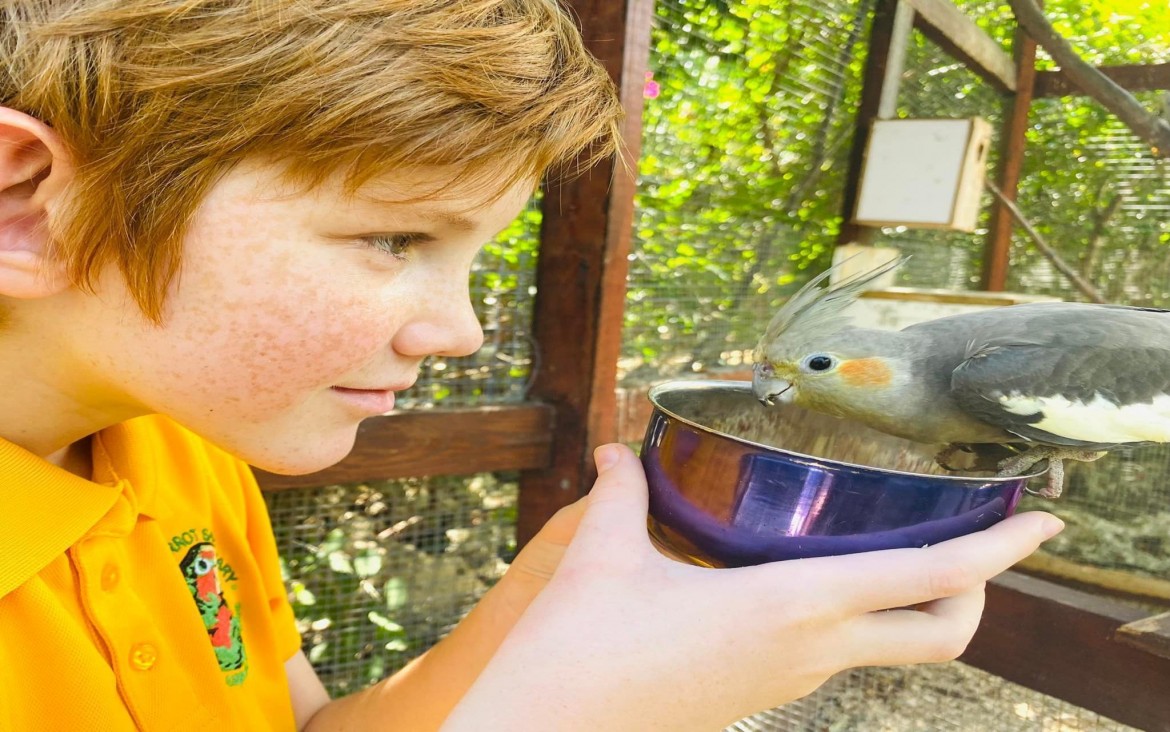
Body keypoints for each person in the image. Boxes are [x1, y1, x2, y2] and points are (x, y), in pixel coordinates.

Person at [0, 1, 1063, 730]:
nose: (459, 330)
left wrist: (545, 600)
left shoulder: (177, 456)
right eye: (394, 238)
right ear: (29, 205)